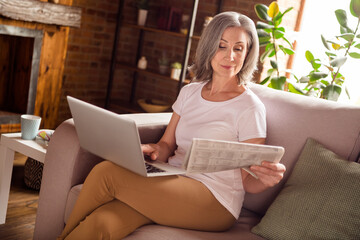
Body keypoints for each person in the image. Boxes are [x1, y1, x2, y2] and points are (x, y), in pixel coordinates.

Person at [58, 11, 286, 239]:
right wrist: (154, 149)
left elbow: (248, 181)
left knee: (107, 172)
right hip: (172, 180)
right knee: (103, 222)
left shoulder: (249, 107)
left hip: (216, 200)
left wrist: (266, 180)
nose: (231, 56)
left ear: (247, 53)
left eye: (239, 48)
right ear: (209, 47)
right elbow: (166, 144)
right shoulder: (190, 92)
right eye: (222, 46)